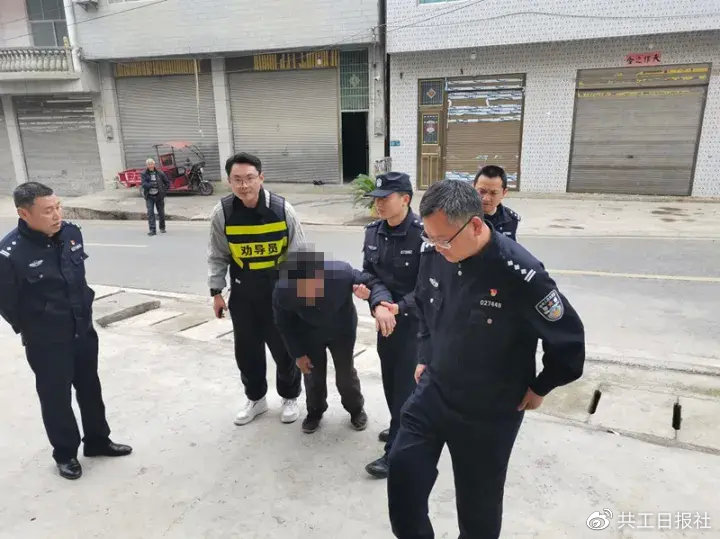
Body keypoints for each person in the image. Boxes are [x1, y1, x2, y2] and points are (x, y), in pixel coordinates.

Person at [387, 180, 585, 538]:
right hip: (434, 391)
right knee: (403, 476)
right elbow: (425, 305)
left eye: (444, 240)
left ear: (475, 225)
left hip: (489, 410)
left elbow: (569, 340)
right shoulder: (435, 252)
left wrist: (541, 386)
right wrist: (425, 354)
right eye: (431, 238)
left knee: (478, 509)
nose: (436, 247)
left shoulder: (520, 273)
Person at [0, 182, 132, 480]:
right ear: (24, 214)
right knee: (56, 397)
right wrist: (36, 327)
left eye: (58, 207)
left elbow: (77, 278)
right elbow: (7, 303)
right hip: (46, 340)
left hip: (82, 328)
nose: (57, 215)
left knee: (90, 387)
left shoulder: (71, 233)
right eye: (48, 211)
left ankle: (97, 441)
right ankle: (65, 453)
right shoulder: (10, 254)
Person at [207, 152, 305, 426]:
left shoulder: (282, 210)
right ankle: (256, 399)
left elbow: (299, 254)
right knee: (247, 351)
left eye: (249, 178)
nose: (244, 185)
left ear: (261, 178)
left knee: (285, 349)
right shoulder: (222, 213)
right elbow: (217, 255)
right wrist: (216, 292)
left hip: (279, 290)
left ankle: (289, 397)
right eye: (237, 179)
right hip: (243, 292)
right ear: (229, 181)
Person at [273, 251, 392, 434]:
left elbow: (373, 283)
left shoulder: (341, 273)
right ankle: (315, 411)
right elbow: (284, 325)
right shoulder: (282, 292)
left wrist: (377, 302)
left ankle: (356, 409)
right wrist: (298, 354)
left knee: (345, 374)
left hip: (341, 330)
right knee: (313, 374)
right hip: (308, 333)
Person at [353, 172, 423, 479]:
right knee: (392, 384)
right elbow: (369, 275)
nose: (378, 204)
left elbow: (430, 287)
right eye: (376, 199)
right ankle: (399, 424)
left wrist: (397, 307)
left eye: (385, 198)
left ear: (405, 199)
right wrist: (380, 303)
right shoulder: (373, 232)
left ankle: (397, 452)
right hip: (386, 323)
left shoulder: (423, 235)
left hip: (416, 326)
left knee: (406, 389)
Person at [473, 165, 521, 240]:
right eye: (482, 191)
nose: (486, 198)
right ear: (473, 188)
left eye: (493, 193)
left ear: (504, 193)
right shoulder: (460, 216)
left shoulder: (511, 220)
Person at [141, 158, 171, 236]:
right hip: (149, 196)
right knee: (150, 213)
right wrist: (151, 184)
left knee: (161, 212)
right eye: (148, 164)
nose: (150, 165)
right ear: (147, 165)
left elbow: (167, 183)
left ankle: (162, 227)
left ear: (154, 164)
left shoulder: (160, 173)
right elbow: (143, 184)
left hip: (159, 196)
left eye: (151, 164)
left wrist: (163, 191)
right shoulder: (144, 173)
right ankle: (152, 230)